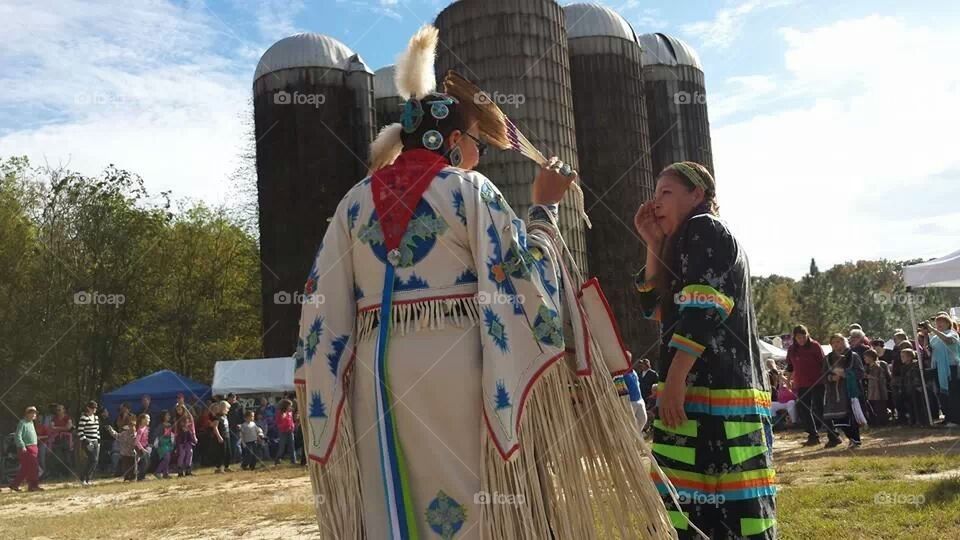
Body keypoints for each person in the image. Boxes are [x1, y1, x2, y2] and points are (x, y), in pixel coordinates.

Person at [295, 26, 674, 539]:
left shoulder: (352, 203)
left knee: (393, 499)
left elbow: (322, 310)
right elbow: (526, 279)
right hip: (457, 363)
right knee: (472, 500)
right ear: (451, 140)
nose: (481, 153)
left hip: (373, 375)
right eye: (476, 142)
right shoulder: (467, 189)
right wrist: (545, 207)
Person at [634, 159, 775, 538]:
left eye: (667, 192)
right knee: (707, 500)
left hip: (712, 395)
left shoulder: (704, 229)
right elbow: (655, 308)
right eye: (655, 193)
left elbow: (705, 307)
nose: (656, 202)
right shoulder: (684, 242)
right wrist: (653, 244)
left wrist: (675, 377)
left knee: (714, 504)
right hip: (706, 394)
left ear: (697, 194)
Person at [785, 324, 827, 445]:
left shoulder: (814, 345)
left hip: (817, 381)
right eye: (799, 337)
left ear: (807, 335)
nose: (801, 340)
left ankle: (832, 433)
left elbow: (823, 363)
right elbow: (790, 366)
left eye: (803, 337)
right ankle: (813, 435)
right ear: (795, 337)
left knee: (820, 407)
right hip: (802, 383)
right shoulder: (792, 349)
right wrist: (788, 381)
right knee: (803, 408)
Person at [822, 334, 865, 448]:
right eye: (834, 342)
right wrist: (831, 378)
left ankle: (855, 440)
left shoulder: (853, 356)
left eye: (839, 341)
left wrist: (846, 374)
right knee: (839, 420)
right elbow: (823, 376)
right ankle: (850, 438)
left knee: (851, 418)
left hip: (849, 392)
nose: (837, 344)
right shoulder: (827, 359)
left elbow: (861, 373)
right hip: (834, 394)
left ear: (844, 342)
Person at [922, 314, 960, 426]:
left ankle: (956, 419)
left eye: (941, 322)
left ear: (948, 323)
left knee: (954, 393)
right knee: (942, 394)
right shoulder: (934, 338)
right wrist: (925, 336)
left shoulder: (952, 334)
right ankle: (948, 417)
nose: (939, 324)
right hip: (938, 368)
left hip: (951, 368)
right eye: (937, 322)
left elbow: (948, 341)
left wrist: (932, 329)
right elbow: (929, 351)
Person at [9, 406, 42, 492]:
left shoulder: (31, 423)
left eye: (35, 413)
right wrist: (22, 446)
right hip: (26, 448)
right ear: (27, 414)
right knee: (33, 467)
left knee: (26, 468)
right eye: (32, 413)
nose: (34, 415)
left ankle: (15, 484)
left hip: (34, 447)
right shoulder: (22, 423)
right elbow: (18, 436)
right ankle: (33, 485)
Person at [863, 349, 891, 426]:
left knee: (880, 407)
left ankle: (883, 422)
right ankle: (876, 422)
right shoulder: (868, 367)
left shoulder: (878, 366)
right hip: (872, 390)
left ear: (871, 357)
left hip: (879, 389)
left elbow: (880, 378)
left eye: (866, 357)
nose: (864, 359)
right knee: (874, 406)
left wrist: (869, 376)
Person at [77, 400, 101, 486]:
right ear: (88, 408)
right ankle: (83, 478)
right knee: (92, 459)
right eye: (92, 408)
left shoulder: (96, 418)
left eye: (95, 408)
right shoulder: (84, 417)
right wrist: (86, 441)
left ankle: (88, 478)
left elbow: (97, 430)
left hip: (95, 442)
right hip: (87, 442)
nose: (94, 409)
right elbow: (80, 431)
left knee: (95, 461)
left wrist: (98, 441)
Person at [48, 403, 74, 478]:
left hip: (66, 439)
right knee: (57, 457)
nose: (58, 411)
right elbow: (51, 427)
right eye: (57, 410)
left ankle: (68, 474)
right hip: (56, 439)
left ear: (63, 410)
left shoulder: (67, 418)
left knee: (67, 457)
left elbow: (68, 427)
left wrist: (57, 428)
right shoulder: (54, 418)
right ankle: (58, 474)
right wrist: (63, 428)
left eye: (59, 409)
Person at [117, 416, 140, 482]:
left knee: (133, 467)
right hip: (125, 453)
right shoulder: (124, 434)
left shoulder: (136, 435)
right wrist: (111, 430)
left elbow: (138, 444)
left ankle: (133, 477)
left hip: (133, 454)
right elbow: (117, 436)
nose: (132, 427)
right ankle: (126, 477)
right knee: (126, 466)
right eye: (131, 426)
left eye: (134, 426)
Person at [273, 399, 296, 466]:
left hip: (290, 431)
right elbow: (278, 422)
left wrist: (292, 427)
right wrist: (283, 425)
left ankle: (293, 461)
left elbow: (291, 421)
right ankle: (277, 460)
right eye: (289, 406)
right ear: (286, 406)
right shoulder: (279, 413)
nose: (291, 407)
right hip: (283, 431)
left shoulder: (290, 413)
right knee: (282, 447)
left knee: (292, 446)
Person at [211, 401, 232, 473]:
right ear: (223, 408)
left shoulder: (225, 416)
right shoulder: (217, 416)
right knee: (221, 452)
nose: (228, 410)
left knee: (228, 452)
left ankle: (227, 466)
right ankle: (218, 467)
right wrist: (219, 436)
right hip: (221, 436)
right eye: (227, 408)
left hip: (227, 435)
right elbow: (215, 427)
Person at [154, 414, 175, 479]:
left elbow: (172, 434)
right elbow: (157, 436)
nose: (169, 416)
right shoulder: (160, 426)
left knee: (167, 459)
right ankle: (158, 471)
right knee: (166, 458)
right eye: (167, 415)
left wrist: (172, 442)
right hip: (162, 444)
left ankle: (165, 473)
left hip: (168, 444)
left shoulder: (170, 425)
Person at [226, 393, 245, 464]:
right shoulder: (226, 406)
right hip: (228, 428)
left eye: (234, 398)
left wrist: (241, 424)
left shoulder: (239, 406)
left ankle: (239, 458)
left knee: (236, 444)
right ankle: (232, 458)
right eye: (231, 398)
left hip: (236, 428)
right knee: (231, 444)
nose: (233, 399)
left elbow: (242, 417)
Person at [135, 414, 151, 481]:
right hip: (140, 448)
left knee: (147, 462)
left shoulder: (146, 428)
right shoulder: (140, 430)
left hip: (145, 447)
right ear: (142, 420)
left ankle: (142, 476)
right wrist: (142, 449)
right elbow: (137, 441)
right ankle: (140, 477)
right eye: (147, 418)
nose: (149, 420)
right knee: (144, 463)